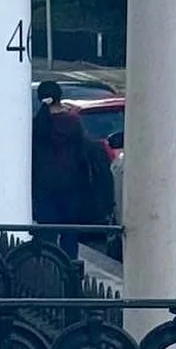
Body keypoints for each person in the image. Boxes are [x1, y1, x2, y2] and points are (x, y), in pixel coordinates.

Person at [32, 80, 115, 252]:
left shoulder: (38, 124)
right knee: (69, 233)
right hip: (71, 184)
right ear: (59, 97)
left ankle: (50, 267)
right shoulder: (72, 122)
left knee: (48, 233)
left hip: (44, 186)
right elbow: (83, 151)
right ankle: (69, 270)